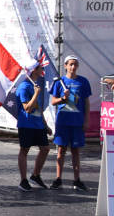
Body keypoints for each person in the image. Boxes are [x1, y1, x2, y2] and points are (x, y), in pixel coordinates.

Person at [50, 55, 91, 191]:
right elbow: (53, 101)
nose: (73, 67)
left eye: (75, 64)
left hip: (77, 122)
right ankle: (58, 179)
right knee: (61, 151)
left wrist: (86, 120)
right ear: (66, 66)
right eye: (71, 64)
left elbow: (86, 102)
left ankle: (77, 180)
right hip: (63, 122)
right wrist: (63, 98)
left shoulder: (83, 82)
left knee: (76, 152)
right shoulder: (59, 82)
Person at [16, 61, 51, 191]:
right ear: (33, 70)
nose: (42, 69)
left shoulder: (35, 85)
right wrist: (36, 94)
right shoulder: (24, 87)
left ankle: (35, 175)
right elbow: (27, 108)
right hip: (26, 124)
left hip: (38, 125)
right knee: (24, 150)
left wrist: (45, 125)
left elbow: (39, 109)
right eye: (39, 67)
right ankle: (23, 180)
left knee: (45, 148)